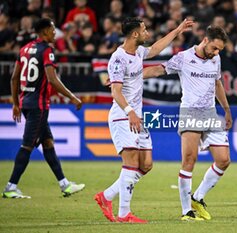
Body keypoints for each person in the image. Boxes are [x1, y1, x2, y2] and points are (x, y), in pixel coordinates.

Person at [94, 17, 193, 223]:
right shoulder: (118, 58)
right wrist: (130, 111)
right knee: (130, 162)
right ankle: (124, 214)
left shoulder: (138, 52)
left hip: (137, 117)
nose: (147, 33)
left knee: (146, 165)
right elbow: (116, 91)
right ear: (135, 34)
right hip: (124, 116)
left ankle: (107, 196)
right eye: (145, 30)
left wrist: (178, 30)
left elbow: (156, 49)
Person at [143, 26, 232, 220]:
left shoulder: (215, 59)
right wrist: (133, 75)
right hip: (190, 112)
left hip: (210, 113)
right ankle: (186, 212)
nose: (216, 53)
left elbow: (217, 83)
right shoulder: (184, 57)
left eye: (220, 50)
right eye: (215, 48)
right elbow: (160, 69)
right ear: (205, 41)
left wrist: (226, 108)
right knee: (189, 161)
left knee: (224, 160)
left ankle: (197, 197)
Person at [2, 18, 85, 199]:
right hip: (38, 106)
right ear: (45, 31)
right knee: (27, 145)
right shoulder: (47, 50)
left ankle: (65, 185)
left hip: (26, 103)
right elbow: (52, 79)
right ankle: (10, 186)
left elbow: (14, 78)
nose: (55, 33)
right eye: (53, 29)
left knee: (47, 142)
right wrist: (72, 97)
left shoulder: (24, 49)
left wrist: (16, 103)